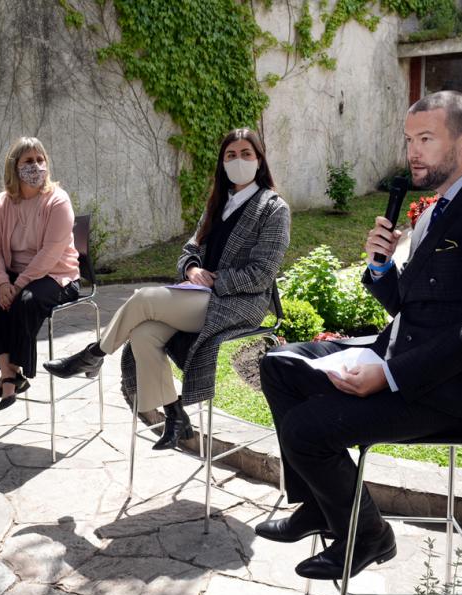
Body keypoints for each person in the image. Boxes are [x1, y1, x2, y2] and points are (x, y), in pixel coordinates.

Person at [255, 91, 462, 580]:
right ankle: (323, 508)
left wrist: (388, 375)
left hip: (455, 390)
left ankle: (369, 536)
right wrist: (383, 266)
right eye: (410, 139)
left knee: (307, 430)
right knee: (278, 366)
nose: (413, 152)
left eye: (426, 139)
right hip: (405, 355)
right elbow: (409, 307)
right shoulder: (436, 208)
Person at [45, 128, 290, 449]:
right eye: (231, 155)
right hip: (199, 294)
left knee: (143, 299)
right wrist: (192, 268)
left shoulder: (273, 209)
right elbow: (190, 249)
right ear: (222, 162)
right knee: (144, 333)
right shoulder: (219, 204)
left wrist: (214, 279)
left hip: (239, 303)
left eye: (247, 154)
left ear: (259, 161)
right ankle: (176, 416)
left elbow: (261, 273)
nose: (239, 160)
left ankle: (93, 355)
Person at [0, 137, 81, 411]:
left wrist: (17, 285)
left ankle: (13, 374)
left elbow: (51, 252)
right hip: (12, 274)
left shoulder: (58, 200)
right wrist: (0, 283)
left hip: (57, 274)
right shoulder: (0, 203)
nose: (36, 166)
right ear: (14, 167)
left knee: (26, 302)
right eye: (28, 161)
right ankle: (9, 374)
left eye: (40, 160)